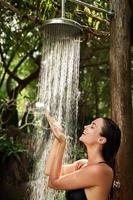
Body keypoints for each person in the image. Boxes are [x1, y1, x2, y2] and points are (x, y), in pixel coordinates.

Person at [44, 112, 121, 200]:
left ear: (101, 140)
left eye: (92, 127)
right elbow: (49, 171)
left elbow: (53, 183)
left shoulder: (101, 170)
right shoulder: (82, 164)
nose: (85, 126)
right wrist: (57, 138)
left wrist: (62, 143)